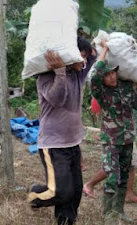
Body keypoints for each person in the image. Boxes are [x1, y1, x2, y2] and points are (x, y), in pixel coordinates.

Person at [27, 38, 96, 225]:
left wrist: (94, 50)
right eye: (79, 57)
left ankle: (66, 222)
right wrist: (59, 72)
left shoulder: (78, 74)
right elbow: (57, 99)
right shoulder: (45, 77)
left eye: (84, 58)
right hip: (53, 145)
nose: (83, 62)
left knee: (75, 191)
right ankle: (34, 195)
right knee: (62, 191)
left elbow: (91, 61)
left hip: (73, 143)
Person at [90, 41, 137, 224]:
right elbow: (94, 75)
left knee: (123, 177)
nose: (112, 77)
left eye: (113, 72)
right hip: (111, 140)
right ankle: (108, 214)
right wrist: (105, 49)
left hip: (128, 139)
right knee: (112, 176)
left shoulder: (125, 87)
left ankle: (119, 210)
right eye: (107, 75)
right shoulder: (100, 91)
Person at [83, 99, 137, 204]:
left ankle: (128, 193)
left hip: (127, 131)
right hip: (116, 133)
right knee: (113, 165)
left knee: (130, 164)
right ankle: (89, 185)